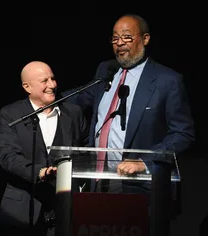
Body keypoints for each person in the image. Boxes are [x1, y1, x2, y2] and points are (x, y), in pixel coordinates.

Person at [62, 13, 195, 194]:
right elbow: (81, 96)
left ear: (145, 39)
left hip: (142, 186)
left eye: (127, 37)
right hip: (99, 178)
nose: (119, 43)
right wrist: (47, 96)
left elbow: (182, 133)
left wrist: (144, 162)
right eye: (115, 38)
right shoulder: (106, 70)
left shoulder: (167, 81)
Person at [0, 61, 89, 235]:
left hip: (65, 207)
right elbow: (8, 157)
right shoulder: (10, 114)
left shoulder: (73, 113)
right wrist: (39, 172)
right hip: (21, 211)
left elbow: (87, 150)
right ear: (27, 87)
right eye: (44, 81)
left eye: (53, 79)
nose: (52, 85)